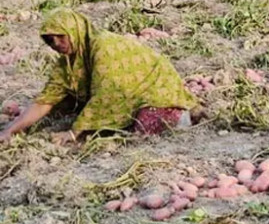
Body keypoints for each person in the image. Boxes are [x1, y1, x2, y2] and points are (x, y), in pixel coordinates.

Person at [0, 8, 200, 145]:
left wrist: (74, 132)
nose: (57, 44)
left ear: (75, 30)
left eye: (61, 36)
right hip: (127, 92)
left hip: (154, 85)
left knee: (144, 128)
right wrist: (11, 130)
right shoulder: (67, 63)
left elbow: (107, 92)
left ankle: (183, 114)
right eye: (50, 40)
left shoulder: (103, 46)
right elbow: (45, 101)